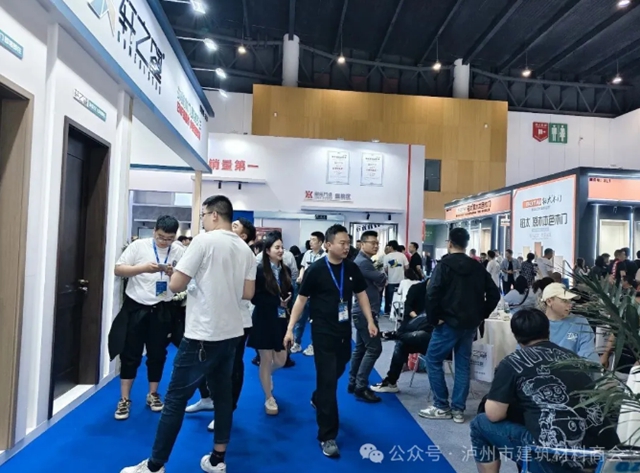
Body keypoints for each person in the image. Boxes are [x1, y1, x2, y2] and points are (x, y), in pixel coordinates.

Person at [121, 196, 257, 473]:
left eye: (203, 215)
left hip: (202, 333)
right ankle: (217, 460)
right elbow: (248, 292)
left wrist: (189, 279)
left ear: (214, 215)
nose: (203, 220)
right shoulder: (244, 249)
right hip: (231, 332)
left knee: (174, 400)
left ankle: (154, 466)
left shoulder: (203, 241)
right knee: (223, 398)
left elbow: (175, 284)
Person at [470, 308, 619, 473]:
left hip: (554, 460)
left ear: (515, 335)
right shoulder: (573, 358)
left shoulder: (512, 363)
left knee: (480, 424)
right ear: (548, 330)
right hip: (603, 460)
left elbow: (494, 414)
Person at [283, 224, 377, 458]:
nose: (346, 247)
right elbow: (301, 300)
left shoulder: (351, 268)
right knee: (328, 383)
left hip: (344, 332)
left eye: (348, 243)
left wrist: (370, 320)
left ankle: (318, 397)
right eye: (342, 243)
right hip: (322, 333)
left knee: (340, 367)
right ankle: (327, 436)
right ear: (328, 245)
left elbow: (361, 295)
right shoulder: (316, 270)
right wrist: (290, 328)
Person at [420, 227, 500, 424]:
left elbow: (432, 293)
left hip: (447, 323)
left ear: (449, 243)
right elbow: (494, 294)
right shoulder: (477, 267)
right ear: (466, 244)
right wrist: (481, 314)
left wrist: (434, 318)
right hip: (470, 324)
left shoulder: (444, 266)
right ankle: (458, 409)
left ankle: (441, 405)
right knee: (462, 365)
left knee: (433, 360)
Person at [184, 217, 257, 431]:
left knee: (231, 367)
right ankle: (207, 398)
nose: (228, 228)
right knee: (204, 362)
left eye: (235, 227)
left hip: (237, 321)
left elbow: (247, 293)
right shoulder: (214, 247)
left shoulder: (244, 254)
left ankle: (226, 412)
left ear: (243, 236)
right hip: (211, 319)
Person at [109, 215, 184, 421]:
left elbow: (184, 282)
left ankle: (153, 394)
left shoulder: (179, 251)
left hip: (163, 309)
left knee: (157, 354)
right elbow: (118, 269)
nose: (164, 242)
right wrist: (143, 268)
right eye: (161, 237)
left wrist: (173, 274)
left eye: (169, 238)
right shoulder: (139, 246)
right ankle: (125, 399)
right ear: (154, 232)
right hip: (136, 307)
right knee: (130, 353)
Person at [247, 232, 292, 415]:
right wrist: (276, 301)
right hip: (263, 319)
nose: (281, 250)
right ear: (267, 251)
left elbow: (289, 292)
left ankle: (266, 376)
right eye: (277, 247)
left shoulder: (285, 270)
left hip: (281, 320)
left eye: (282, 247)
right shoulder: (259, 271)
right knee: (265, 359)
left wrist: (287, 301)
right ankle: (268, 397)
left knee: (281, 360)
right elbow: (254, 298)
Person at [371, 279, 432, 393]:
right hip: (417, 327)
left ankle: (394, 335)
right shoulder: (417, 289)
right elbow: (408, 308)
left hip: (434, 336)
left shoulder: (444, 293)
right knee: (402, 344)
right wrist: (418, 320)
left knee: (415, 336)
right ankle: (391, 382)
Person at [348, 230, 387, 403]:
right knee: (374, 349)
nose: (376, 246)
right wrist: (380, 277)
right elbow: (382, 278)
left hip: (363, 311)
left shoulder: (364, 261)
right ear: (362, 244)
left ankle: (353, 382)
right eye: (372, 243)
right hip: (366, 313)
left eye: (377, 243)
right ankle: (361, 386)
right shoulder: (363, 263)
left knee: (361, 348)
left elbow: (380, 280)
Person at [540, 283, 599, 363]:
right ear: (549, 301)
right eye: (564, 301)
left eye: (570, 300)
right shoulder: (537, 324)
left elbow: (588, 353)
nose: (570, 305)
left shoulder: (580, 322)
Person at [292, 231, 326, 356]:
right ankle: (297, 343)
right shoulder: (307, 254)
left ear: (320, 242)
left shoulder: (325, 256)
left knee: (314, 320)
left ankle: (313, 345)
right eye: (310, 239)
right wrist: (301, 276)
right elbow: (303, 267)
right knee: (300, 319)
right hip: (305, 291)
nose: (310, 242)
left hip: (316, 293)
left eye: (313, 240)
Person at [382, 240, 409, 314]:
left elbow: (385, 269)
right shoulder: (402, 255)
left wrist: (391, 272)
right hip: (401, 280)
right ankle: (399, 312)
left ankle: (391, 313)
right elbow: (407, 267)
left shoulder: (387, 256)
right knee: (400, 297)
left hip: (391, 280)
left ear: (391, 247)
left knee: (391, 297)